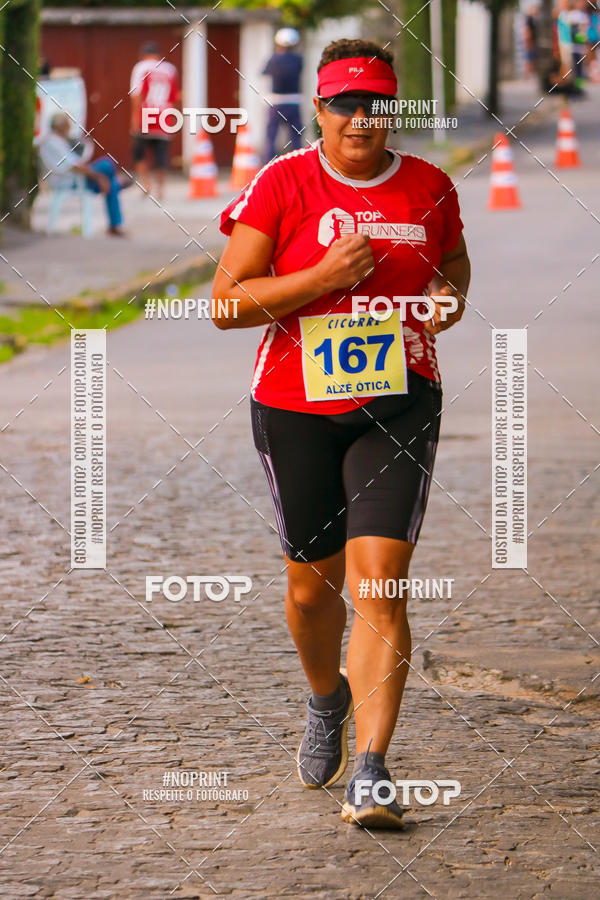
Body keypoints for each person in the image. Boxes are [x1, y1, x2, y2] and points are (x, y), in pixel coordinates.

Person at [212, 39, 470, 829]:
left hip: (399, 400)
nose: (362, 119)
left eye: (376, 105)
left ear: (394, 110)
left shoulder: (429, 186)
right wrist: (321, 279)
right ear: (319, 109)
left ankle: (371, 771)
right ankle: (327, 698)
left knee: (381, 581)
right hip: (294, 406)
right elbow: (226, 304)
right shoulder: (282, 182)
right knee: (310, 585)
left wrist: (447, 298)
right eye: (346, 105)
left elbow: (455, 265)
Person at [38, 112, 129, 236]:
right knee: (107, 164)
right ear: (61, 127)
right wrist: (99, 177)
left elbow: (75, 164)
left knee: (111, 184)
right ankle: (118, 184)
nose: (69, 129)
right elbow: (74, 166)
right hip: (72, 181)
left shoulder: (55, 141)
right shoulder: (53, 142)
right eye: (68, 125)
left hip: (74, 178)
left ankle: (115, 223)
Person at [129, 42, 180, 201]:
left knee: (138, 152)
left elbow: (136, 94)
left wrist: (134, 118)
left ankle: (146, 184)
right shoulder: (170, 69)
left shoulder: (141, 68)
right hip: (164, 117)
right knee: (161, 155)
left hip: (145, 115)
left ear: (143, 55)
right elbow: (175, 97)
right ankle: (160, 189)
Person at [262, 27, 303, 163]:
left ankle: (268, 164)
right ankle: (299, 164)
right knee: (296, 137)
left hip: (276, 102)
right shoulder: (298, 60)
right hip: (294, 102)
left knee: (271, 137)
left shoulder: (274, 59)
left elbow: (265, 73)